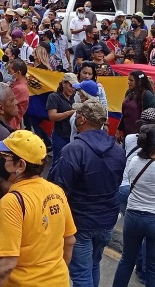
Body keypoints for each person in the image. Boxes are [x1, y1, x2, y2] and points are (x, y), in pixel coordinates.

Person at [0, 130, 76, 287]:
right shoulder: (56, 191)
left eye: (4, 157)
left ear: (21, 165)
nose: (0, 161)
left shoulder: (12, 203)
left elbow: (5, 265)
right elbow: (70, 240)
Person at [49, 98, 125, 287]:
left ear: (82, 119)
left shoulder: (73, 150)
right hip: (107, 221)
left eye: (77, 115)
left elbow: (58, 188)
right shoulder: (117, 150)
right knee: (93, 266)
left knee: (82, 275)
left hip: (80, 222)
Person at [112, 124, 155, 287]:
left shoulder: (134, 161)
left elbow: (131, 181)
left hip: (133, 217)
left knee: (126, 261)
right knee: (154, 268)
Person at [117, 70, 155, 143]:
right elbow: (124, 113)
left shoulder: (147, 95)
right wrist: (119, 129)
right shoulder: (129, 92)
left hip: (140, 136)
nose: (128, 82)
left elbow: (153, 118)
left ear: (139, 82)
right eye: (128, 80)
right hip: (127, 134)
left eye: (131, 80)